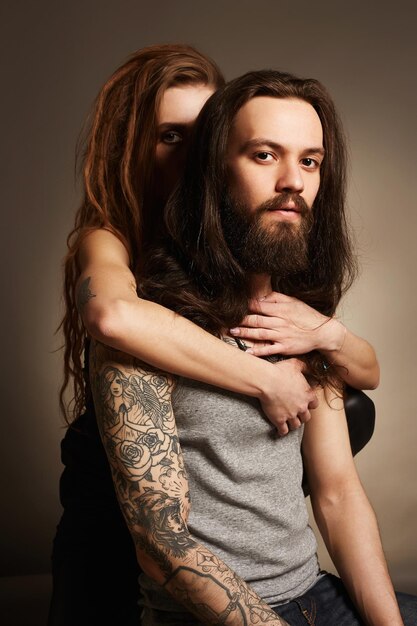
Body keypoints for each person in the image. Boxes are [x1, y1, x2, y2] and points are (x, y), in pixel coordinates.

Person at [49, 45, 378, 625]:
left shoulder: (261, 264)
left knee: (354, 407)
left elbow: (365, 377)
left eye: (205, 135)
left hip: (284, 578)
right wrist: (262, 379)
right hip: (110, 479)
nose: (194, 154)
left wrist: (324, 333)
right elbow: (114, 317)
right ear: (136, 148)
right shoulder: (111, 238)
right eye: (173, 136)